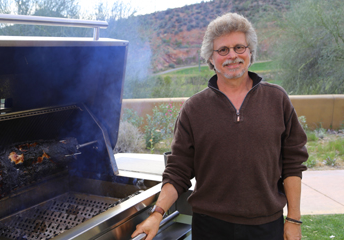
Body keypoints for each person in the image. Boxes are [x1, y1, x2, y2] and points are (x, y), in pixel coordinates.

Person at [131, 13, 308, 240]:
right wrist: (156, 213)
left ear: (250, 52)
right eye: (223, 50)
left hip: (266, 225)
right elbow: (178, 172)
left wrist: (293, 219)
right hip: (210, 227)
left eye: (239, 47)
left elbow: (292, 163)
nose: (232, 55)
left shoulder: (277, 99)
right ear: (211, 59)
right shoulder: (194, 109)